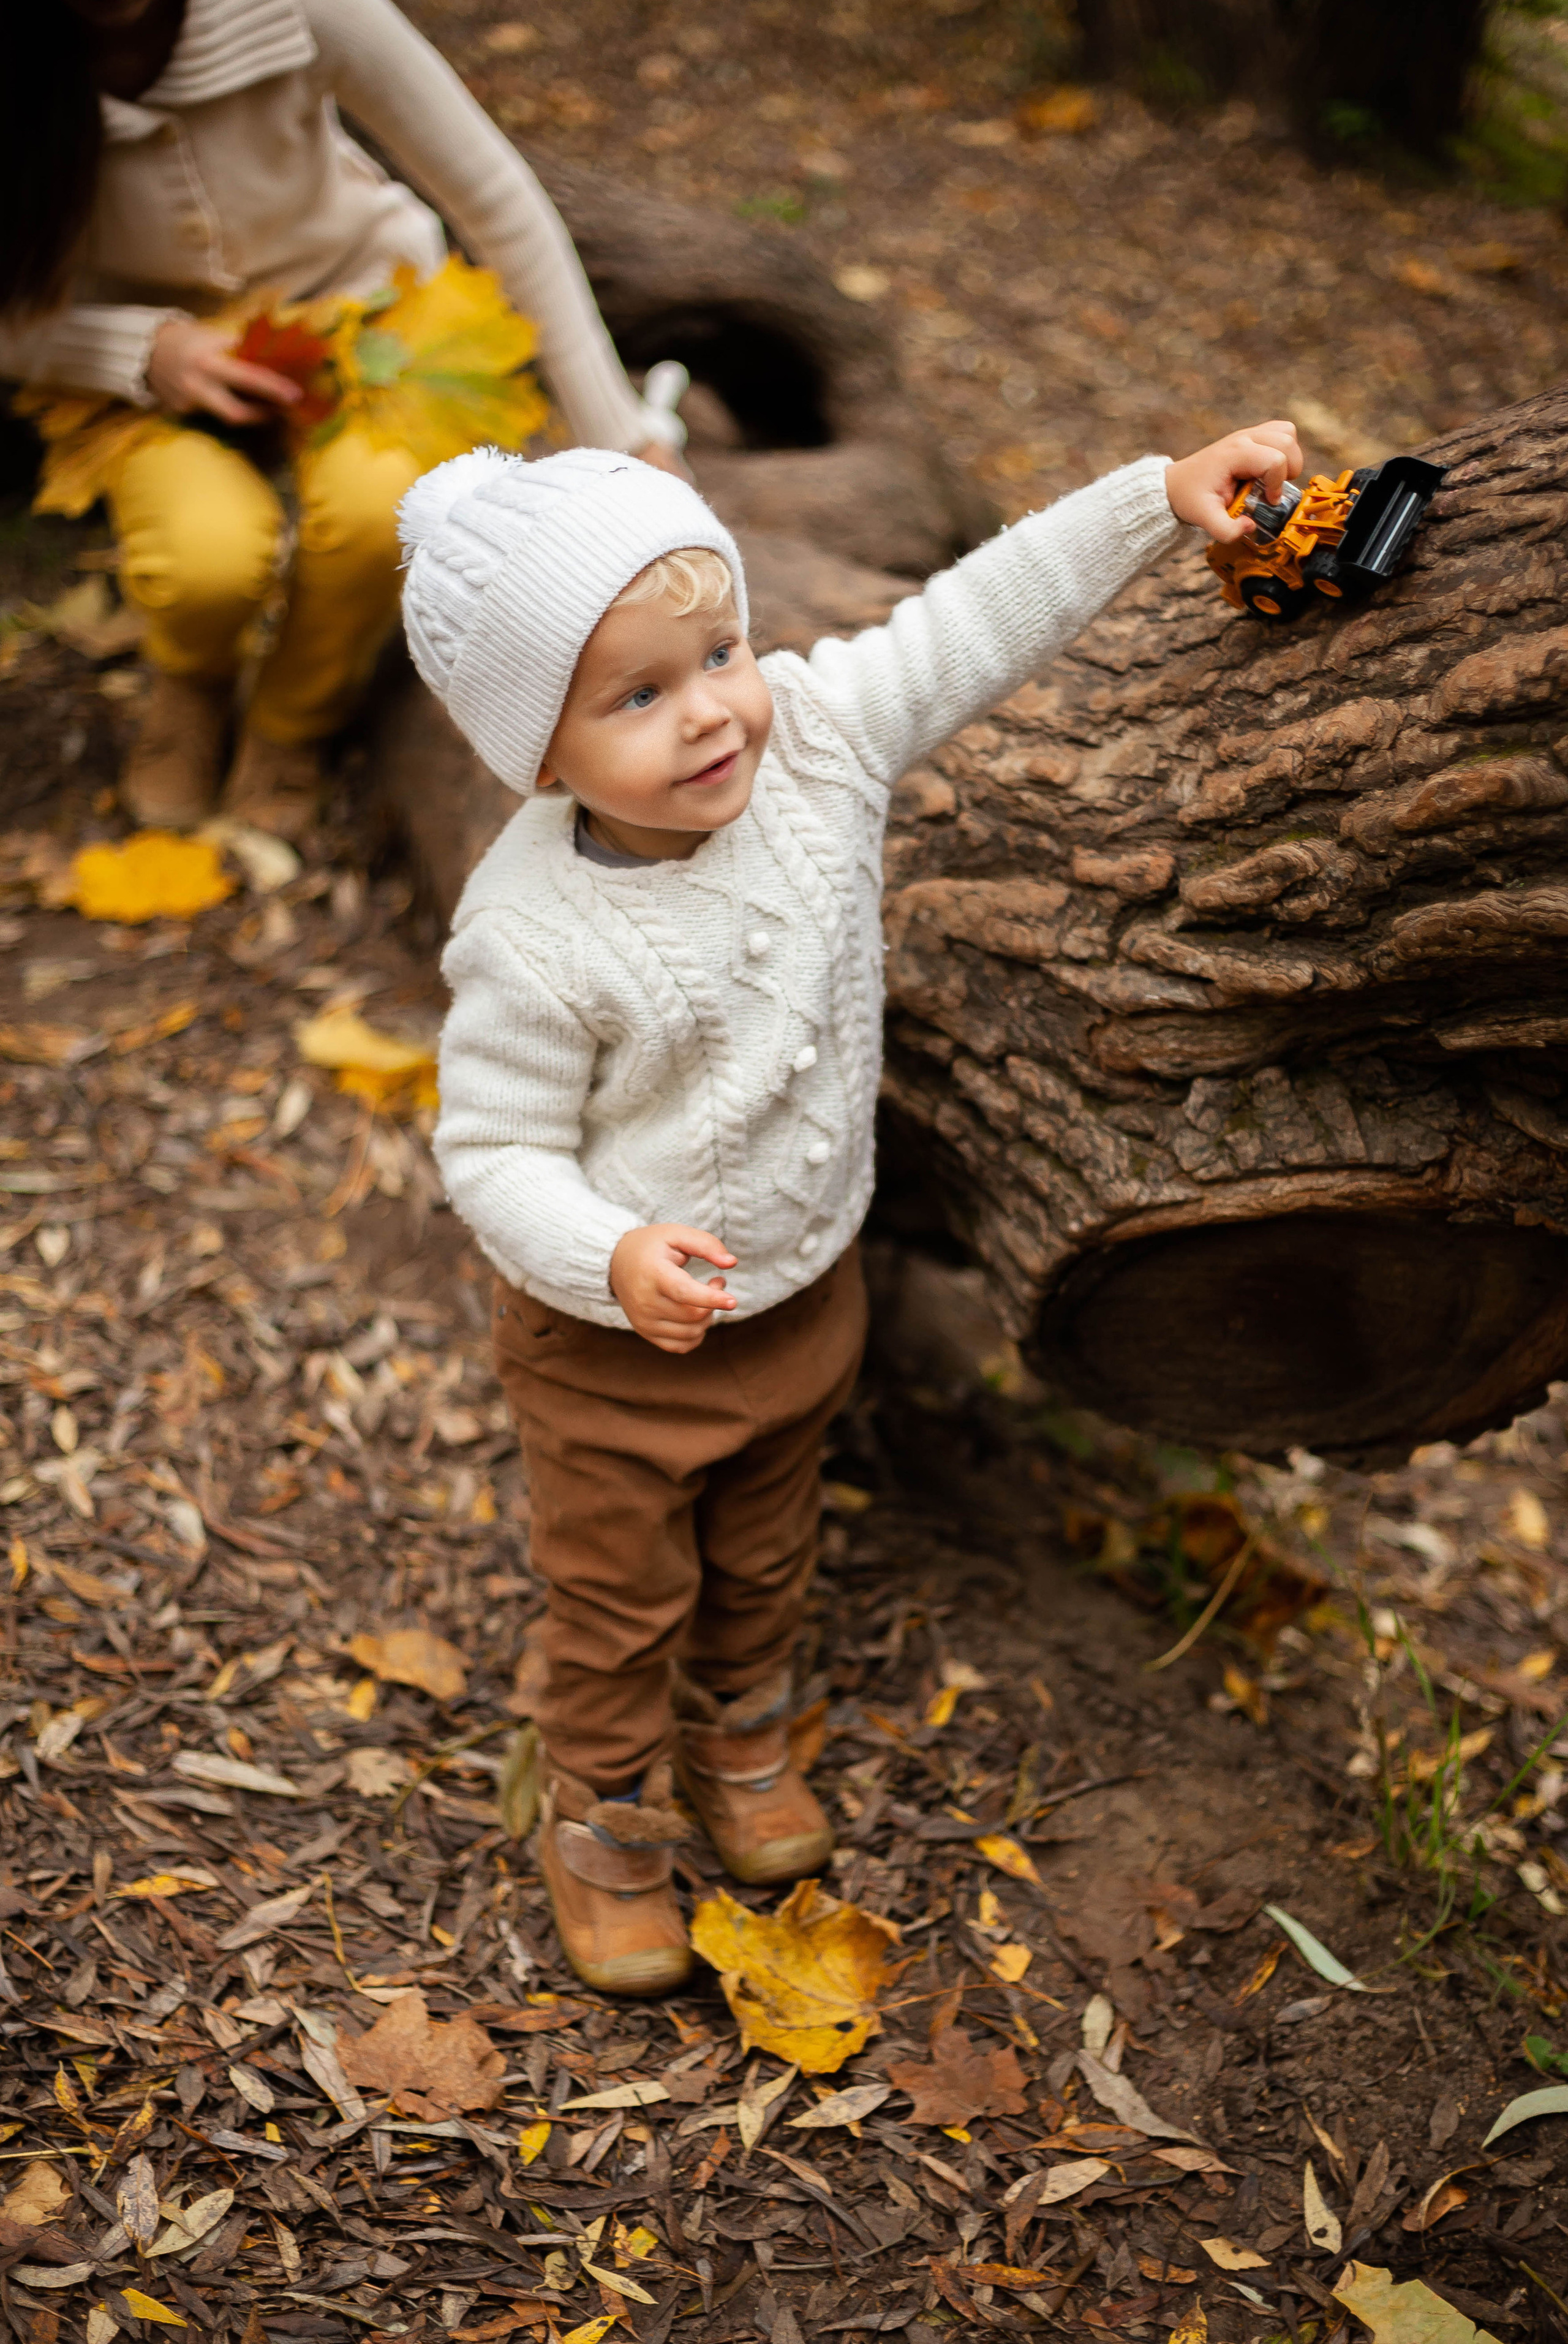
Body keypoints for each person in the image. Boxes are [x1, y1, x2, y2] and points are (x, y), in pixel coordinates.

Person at [399, 418, 1303, 1995]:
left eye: (719, 653)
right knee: (620, 1598)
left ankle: (736, 1738)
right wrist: (605, 1254)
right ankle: (602, 1814)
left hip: (808, 1294)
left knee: (764, 1551)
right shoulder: (533, 935)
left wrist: (1150, 499)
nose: (709, 714)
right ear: (534, 755)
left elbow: (970, 618)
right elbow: (488, 1153)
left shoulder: (810, 738)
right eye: (637, 695)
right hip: (615, 1353)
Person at [0, 0, 685, 841]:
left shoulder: (308, 11)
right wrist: (144, 349)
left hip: (369, 323)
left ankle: (292, 719)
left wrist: (623, 435)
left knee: (379, 517)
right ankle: (192, 686)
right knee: (203, 556)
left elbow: (498, 201)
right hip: (151, 372)